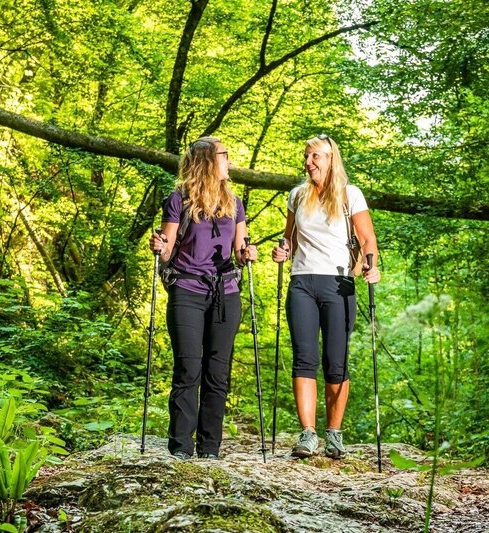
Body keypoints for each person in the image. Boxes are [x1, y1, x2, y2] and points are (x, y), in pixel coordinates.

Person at [271, 134, 380, 459]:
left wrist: (367, 269)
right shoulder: (297, 195)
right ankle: (308, 434)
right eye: (306, 157)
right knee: (304, 358)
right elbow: (289, 239)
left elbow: (368, 240)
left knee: (336, 361)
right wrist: (282, 251)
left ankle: (334, 433)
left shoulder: (350, 195)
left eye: (315, 156)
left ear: (331, 159)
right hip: (302, 282)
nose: (308, 162)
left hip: (339, 284)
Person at [149, 136, 257, 460]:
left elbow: (240, 252)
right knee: (188, 369)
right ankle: (180, 448)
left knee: (217, 372)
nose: (229, 160)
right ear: (208, 161)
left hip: (226, 292)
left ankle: (210, 449)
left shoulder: (234, 202)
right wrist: (159, 246)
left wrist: (247, 253)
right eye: (225, 155)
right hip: (187, 290)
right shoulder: (178, 199)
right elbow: (167, 247)